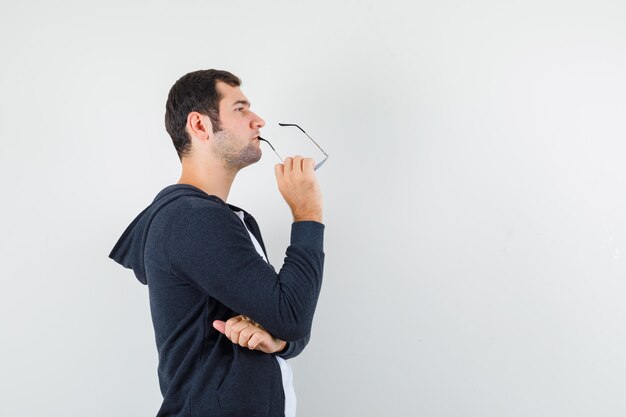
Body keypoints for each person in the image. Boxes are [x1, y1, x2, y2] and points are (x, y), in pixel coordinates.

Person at [108, 69, 325, 417]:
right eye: (240, 109)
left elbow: (284, 320)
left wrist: (278, 340)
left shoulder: (223, 218)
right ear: (199, 126)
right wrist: (307, 213)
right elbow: (292, 315)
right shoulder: (192, 219)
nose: (258, 121)